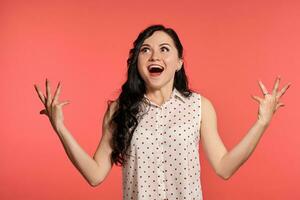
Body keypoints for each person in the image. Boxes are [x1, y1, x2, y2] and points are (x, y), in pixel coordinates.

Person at [34, 24, 291, 200]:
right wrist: (61, 128)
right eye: (145, 50)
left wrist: (261, 123)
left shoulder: (199, 106)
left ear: (179, 62)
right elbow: (94, 175)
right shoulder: (120, 109)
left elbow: (224, 167)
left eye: (164, 49)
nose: (154, 55)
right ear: (138, 62)